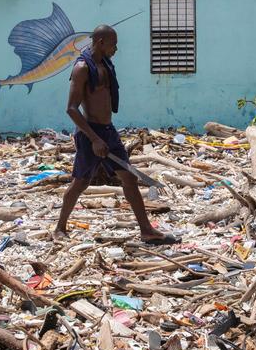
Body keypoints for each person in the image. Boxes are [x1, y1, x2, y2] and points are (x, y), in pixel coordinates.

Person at [54, 25, 177, 245]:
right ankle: (59, 228)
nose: (116, 49)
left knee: (128, 178)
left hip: (108, 131)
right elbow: (71, 109)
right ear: (101, 42)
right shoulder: (82, 68)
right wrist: (94, 139)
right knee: (80, 183)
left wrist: (103, 136)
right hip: (90, 133)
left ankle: (146, 230)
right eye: (113, 44)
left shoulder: (106, 64)